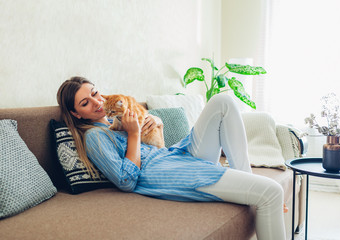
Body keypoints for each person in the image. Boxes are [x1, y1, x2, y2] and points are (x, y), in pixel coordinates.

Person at [57, 76, 286, 240]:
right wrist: (134, 133)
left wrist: (157, 124)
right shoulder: (95, 137)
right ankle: (250, 188)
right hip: (166, 173)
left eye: (94, 93)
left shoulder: (116, 120)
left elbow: (158, 149)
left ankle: (245, 178)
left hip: (174, 155)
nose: (97, 102)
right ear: (76, 114)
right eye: (85, 103)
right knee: (271, 192)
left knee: (222, 102)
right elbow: (126, 181)